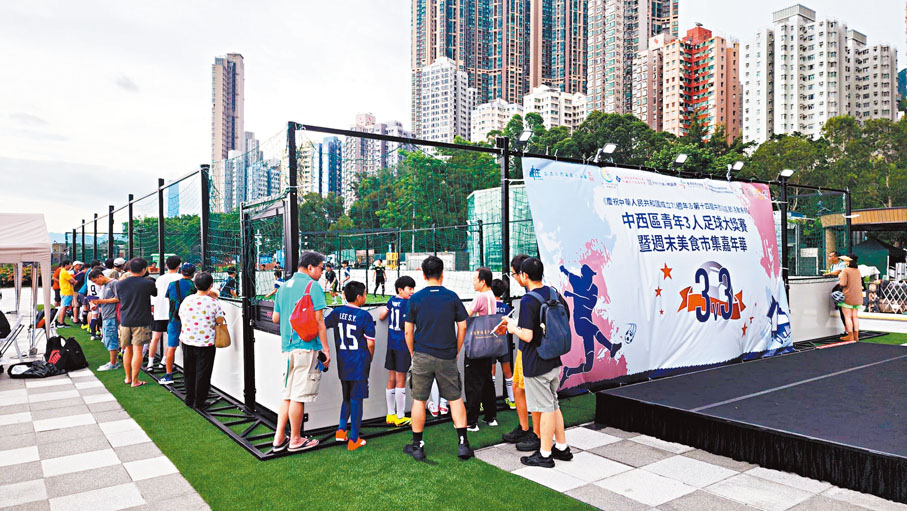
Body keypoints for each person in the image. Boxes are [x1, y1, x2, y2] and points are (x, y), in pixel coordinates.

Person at [504, 256, 573, 468]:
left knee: (545, 408)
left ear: (524, 275)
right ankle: (562, 447)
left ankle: (545, 454)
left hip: (536, 362)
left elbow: (527, 335)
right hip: (554, 358)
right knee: (553, 404)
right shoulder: (552, 292)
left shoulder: (528, 300)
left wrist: (512, 327)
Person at [403, 255, 473, 462]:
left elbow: (408, 331)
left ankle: (417, 445)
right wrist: (456, 350)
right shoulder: (451, 296)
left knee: (419, 400)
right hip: (447, 355)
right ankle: (463, 444)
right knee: (455, 398)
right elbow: (463, 326)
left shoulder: (415, 298)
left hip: (422, 355)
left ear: (424, 275)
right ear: (442, 273)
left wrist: (413, 353)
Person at [271, 251, 331, 453]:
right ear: (310, 267)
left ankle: (279, 437)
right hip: (306, 347)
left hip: (287, 348)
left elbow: (275, 318)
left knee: (287, 395)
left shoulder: (283, 287)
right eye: (321, 268)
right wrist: (326, 349)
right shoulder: (312, 287)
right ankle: (295, 439)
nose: (322, 273)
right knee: (298, 396)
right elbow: (319, 321)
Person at [324, 281, 375, 451]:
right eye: (365, 294)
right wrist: (369, 358)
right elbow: (371, 343)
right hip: (359, 363)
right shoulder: (365, 316)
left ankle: (341, 430)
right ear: (359, 297)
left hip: (343, 362)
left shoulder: (337, 312)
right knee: (356, 400)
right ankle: (354, 439)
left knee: (346, 396)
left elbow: (322, 325)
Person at [558, 264, 621, 387]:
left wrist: (573, 295)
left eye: (592, 276)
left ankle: (569, 371)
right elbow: (567, 273)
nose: (591, 278)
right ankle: (611, 347)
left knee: (588, 366)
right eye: (589, 275)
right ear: (584, 276)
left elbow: (590, 303)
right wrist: (563, 269)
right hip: (580, 321)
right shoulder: (577, 281)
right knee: (594, 328)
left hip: (588, 324)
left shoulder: (594, 288)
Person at [178, 272, 225, 408]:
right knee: (203, 373)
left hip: (187, 340)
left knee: (189, 371)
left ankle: (189, 398)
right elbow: (220, 321)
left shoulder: (187, 300)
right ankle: (199, 401)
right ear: (211, 286)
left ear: (195, 285)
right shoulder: (214, 303)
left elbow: (181, 315)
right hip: (206, 343)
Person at [464, 267, 499, 432]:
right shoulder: (491, 295)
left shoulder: (480, 296)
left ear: (482, 281)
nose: (473, 282)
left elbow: (466, 315)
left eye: (474, 279)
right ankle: (491, 417)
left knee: (473, 383)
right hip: (489, 344)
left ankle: (472, 422)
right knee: (487, 381)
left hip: (477, 344)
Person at [378, 276, 416, 426]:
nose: (412, 291)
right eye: (410, 288)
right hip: (402, 345)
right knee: (401, 379)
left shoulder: (391, 300)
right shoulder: (408, 304)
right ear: (400, 289)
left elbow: (382, 316)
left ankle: (390, 414)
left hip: (391, 344)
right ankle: (400, 416)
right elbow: (407, 327)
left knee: (391, 378)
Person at [116, 258, 157, 387]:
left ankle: (128, 378)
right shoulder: (147, 283)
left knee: (127, 349)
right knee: (138, 350)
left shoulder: (120, 284)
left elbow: (119, 297)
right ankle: (135, 381)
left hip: (125, 320)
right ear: (144, 270)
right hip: (141, 321)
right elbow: (155, 293)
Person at [160, 263, 197, 385]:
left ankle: (168, 375)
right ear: (193, 274)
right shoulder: (194, 286)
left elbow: (169, 298)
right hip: (189, 320)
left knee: (171, 347)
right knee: (190, 347)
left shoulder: (172, 285)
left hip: (173, 318)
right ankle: (190, 375)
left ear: (181, 272)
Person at [148, 255, 183, 371]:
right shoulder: (180, 277)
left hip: (159, 311)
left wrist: (153, 307)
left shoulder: (160, 278)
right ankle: (164, 361)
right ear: (179, 266)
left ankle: (150, 363)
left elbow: (155, 295)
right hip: (173, 312)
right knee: (170, 338)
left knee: (155, 337)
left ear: (166, 265)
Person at [491, 278, 516, 410]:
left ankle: (489, 402)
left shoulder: (489, 306)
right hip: (503, 343)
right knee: (508, 371)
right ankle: (512, 400)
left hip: (490, 344)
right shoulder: (506, 308)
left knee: (491, 373)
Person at [88, 269, 121, 371]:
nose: (96, 284)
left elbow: (118, 298)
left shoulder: (113, 283)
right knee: (107, 338)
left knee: (111, 338)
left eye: (95, 281)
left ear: (100, 276)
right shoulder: (104, 286)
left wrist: (101, 301)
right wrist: (98, 305)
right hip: (106, 315)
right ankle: (113, 361)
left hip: (112, 315)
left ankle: (113, 363)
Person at [837, 254, 863, 342]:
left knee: (847, 317)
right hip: (857, 297)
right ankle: (856, 336)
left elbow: (842, 283)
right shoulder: (857, 271)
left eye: (845, 260)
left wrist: (840, 277)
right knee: (855, 317)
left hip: (848, 297)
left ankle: (850, 335)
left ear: (848, 262)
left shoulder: (845, 270)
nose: (844, 262)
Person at [824, 251, 848, 333]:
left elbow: (837, 272)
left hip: (843, 291)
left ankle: (849, 330)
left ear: (836, 257)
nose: (829, 258)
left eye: (830, 256)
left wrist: (828, 274)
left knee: (845, 311)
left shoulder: (842, 264)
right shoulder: (832, 266)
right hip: (837, 291)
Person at [54, 260, 75, 327]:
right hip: (67, 291)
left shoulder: (63, 271)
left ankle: (61, 321)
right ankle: (61, 322)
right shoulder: (64, 272)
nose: (70, 266)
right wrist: (74, 281)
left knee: (64, 307)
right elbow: (72, 280)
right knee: (64, 307)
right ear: (66, 265)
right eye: (70, 265)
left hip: (65, 291)